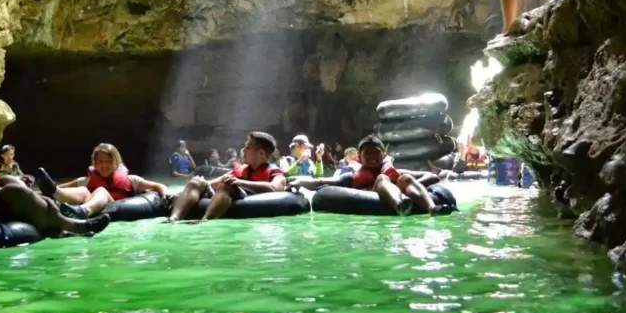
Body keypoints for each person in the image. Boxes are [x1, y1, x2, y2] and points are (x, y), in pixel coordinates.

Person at [288, 135, 453, 216]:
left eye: (377, 153)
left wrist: (404, 188)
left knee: (406, 178)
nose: (373, 158)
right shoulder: (352, 177)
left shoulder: (395, 172)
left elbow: (432, 177)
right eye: (368, 154)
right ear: (359, 157)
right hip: (373, 198)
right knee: (382, 179)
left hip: (404, 195)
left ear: (384, 154)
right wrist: (300, 182)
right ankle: (400, 205)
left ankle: (432, 208)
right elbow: (323, 181)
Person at [167, 131, 287, 223]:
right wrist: (185, 192)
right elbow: (213, 183)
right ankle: (173, 218)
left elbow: (275, 188)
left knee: (228, 184)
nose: (243, 150)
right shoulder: (241, 169)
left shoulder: (275, 172)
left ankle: (204, 221)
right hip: (223, 194)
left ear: (261, 153)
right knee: (197, 181)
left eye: (248, 147)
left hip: (244, 196)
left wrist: (239, 182)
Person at [35, 143, 167, 218]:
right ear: (95, 164)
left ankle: (84, 211)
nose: (105, 165)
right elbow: (64, 186)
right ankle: (55, 194)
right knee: (81, 189)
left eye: (109, 161)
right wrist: (40, 192)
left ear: (117, 162)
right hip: (89, 201)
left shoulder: (132, 180)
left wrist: (165, 197)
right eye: (100, 162)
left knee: (101, 190)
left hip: (113, 206)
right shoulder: (87, 180)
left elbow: (157, 185)